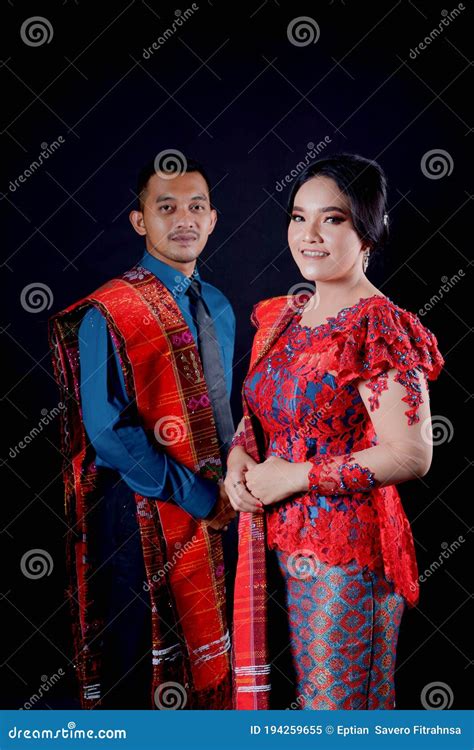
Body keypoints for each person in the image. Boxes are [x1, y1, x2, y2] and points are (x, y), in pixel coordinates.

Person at [226, 153, 444, 710]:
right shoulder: (285, 317)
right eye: (299, 217)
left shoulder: (378, 325)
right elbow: (258, 419)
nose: (310, 234)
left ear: (367, 230)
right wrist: (237, 467)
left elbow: (412, 454)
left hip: (346, 556)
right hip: (275, 543)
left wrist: (294, 476)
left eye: (333, 219)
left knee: (337, 718)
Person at [49, 157, 236, 709]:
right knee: (143, 666)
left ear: (213, 219)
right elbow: (107, 432)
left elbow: (221, 410)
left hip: (221, 509)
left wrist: (229, 490)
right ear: (139, 222)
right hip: (139, 516)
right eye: (167, 207)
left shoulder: (219, 306)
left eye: (196, 207)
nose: (184, 219)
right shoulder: (107, 312)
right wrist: (198, 495)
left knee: (215, 653)